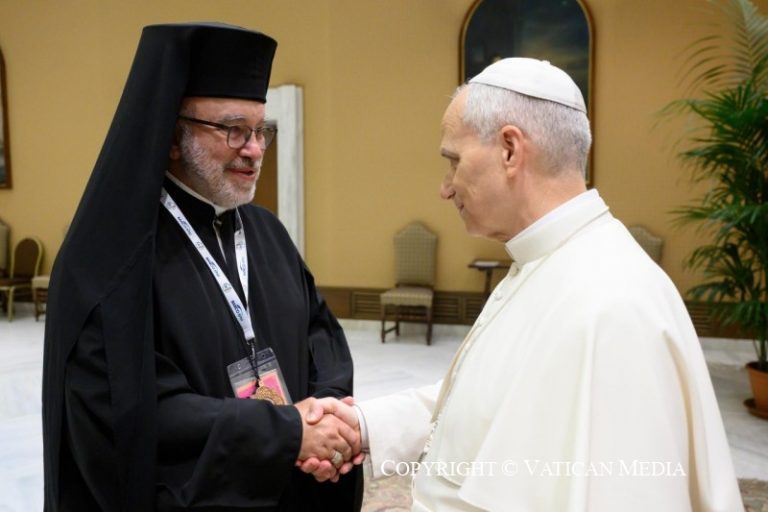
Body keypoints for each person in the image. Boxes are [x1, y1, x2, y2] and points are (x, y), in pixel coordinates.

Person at [306, 58, 744, 511]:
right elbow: (480, 400)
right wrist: (365, 425)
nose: (446, 188)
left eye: (454, 161)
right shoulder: (545, 261)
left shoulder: (611, 304)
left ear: (510, 150)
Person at [42, 23, 362, 511]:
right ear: (172, 136)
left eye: (261, 131)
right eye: (234, 130)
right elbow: (125, 406)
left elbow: (321, 334)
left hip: (291, 481)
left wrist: (328, 410)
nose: (254, 150)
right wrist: (287, 431)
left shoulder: (267, 231)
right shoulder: (110, 258)